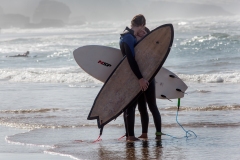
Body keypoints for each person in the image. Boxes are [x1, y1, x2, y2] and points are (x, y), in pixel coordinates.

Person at [119, 14, 162, 141]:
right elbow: (131, 60)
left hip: (134, 76)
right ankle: (130, 136)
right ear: (142, 24)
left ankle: (133, 135)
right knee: (132, 106)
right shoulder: (128, 38)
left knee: (138, 106)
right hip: (137, 76)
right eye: (143, 28)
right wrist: (140, 78)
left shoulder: (126, 36)